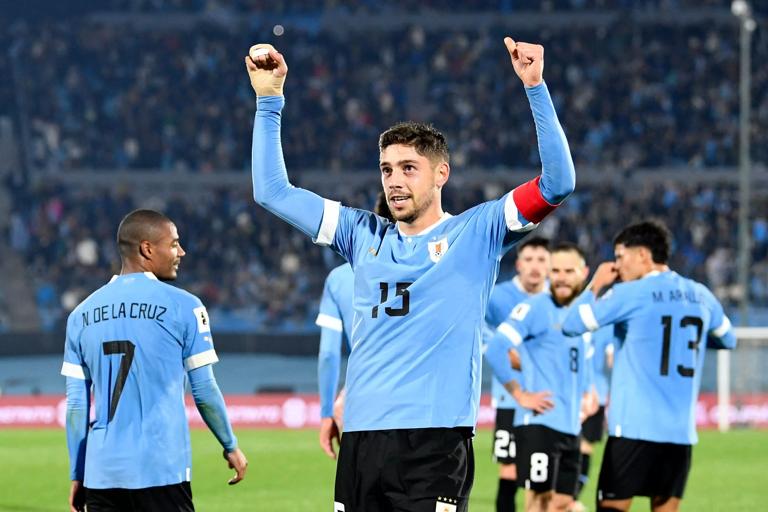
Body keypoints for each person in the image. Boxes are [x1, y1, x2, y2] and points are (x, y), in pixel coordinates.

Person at [247, 36, 575, 511]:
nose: (394, 181)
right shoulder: (360, 234)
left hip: (434, 443)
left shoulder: (478, 230)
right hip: (361, 441)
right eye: (386, 169)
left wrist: (535, 87)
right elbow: (272, 191)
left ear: (441, 174)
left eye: (408, 168)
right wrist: (269, 99)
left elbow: (558, 183)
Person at [61, 209, 247, 512]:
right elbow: (204, 390)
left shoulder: (79, 315)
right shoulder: (185, 307)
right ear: (147, 249)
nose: (181, 252)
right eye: (173, 244)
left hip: (102, 474)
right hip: (161, 468)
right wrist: (230, 445)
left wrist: (77, 473)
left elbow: (76, 406)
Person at [562, 221, 737, 512]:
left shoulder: (630, 294)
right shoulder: (701, 295)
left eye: (620, 257)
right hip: (680, 433)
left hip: (633, 428)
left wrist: (596, 284)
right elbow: (727, 339)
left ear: (642, 255)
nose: (616, 266)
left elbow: (571, 325)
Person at [485, 243, 598, 512]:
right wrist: (519, 393)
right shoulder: (534, 307)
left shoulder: (581, 312)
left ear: (582, 273)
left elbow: (583, 356)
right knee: (535, 497)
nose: (560, 276)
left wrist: (589, 390)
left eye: (568, 270)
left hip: (570, 423)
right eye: (556, 270)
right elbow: (496, 348)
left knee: (564, 503)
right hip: (539, 419)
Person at [317, 192, 394, 459]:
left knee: (363, 492)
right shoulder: (431, 267)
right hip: (417, 399)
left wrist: (328, 412)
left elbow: (328, 355)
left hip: (361, 395)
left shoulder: (338, 279)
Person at [485, 236, 550, 512]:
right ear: (519, 263)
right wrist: (498, 347)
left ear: (550, 265)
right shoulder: (497, 297)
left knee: (544, 480)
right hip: (510, 398)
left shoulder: (556, 299)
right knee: (509, 474)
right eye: (529, 259)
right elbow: (477, 328)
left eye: (542, 260)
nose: (535, 267)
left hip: (547, 400)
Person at [572, 326, 614, 512]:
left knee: (565, 447)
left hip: (571, 393)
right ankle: (571, 499)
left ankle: (567, 498)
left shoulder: (572, 316)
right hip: (595, 396)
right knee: (585, 448)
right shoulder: (609, 325)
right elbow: (612, 360)